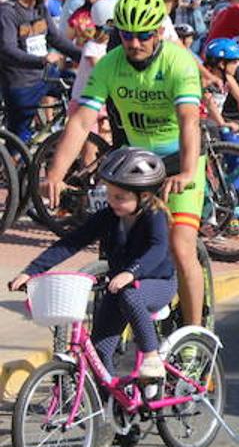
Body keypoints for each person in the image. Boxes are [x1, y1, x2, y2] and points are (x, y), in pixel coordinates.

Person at [44, 0, 207, 326]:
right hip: (138, 166)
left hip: (179, 161)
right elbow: (81, 121)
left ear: (159, 32)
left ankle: (195, 337)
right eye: (126, 35)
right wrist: (56, 174)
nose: (134, 43)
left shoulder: (179, 62)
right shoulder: (109, 65)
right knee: (126, 245)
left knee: (180, 245)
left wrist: (188, 171)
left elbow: (189, 119)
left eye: (143, 35)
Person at [11, 148, 177, 380]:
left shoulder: (154, 216)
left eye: (119, 197)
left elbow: (157, 250)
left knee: (131, 296)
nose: (111, 202)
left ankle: (151, 356)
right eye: (109, 195)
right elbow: (72, 242)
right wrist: (32, 271)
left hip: (157, 283)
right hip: (119, 286)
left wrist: (131, 273)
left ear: (145, 195)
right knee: (99, 351)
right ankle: (107, 405)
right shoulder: (109, 215)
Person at [0, 0, 82, 140]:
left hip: (45, 76)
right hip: (21, 83)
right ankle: (13, 165)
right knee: (19, 139)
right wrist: (41, 60)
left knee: (78, 85)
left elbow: (55, 38)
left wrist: (82, 56)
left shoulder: (40, 9)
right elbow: (7, 50)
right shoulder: (8, 13)